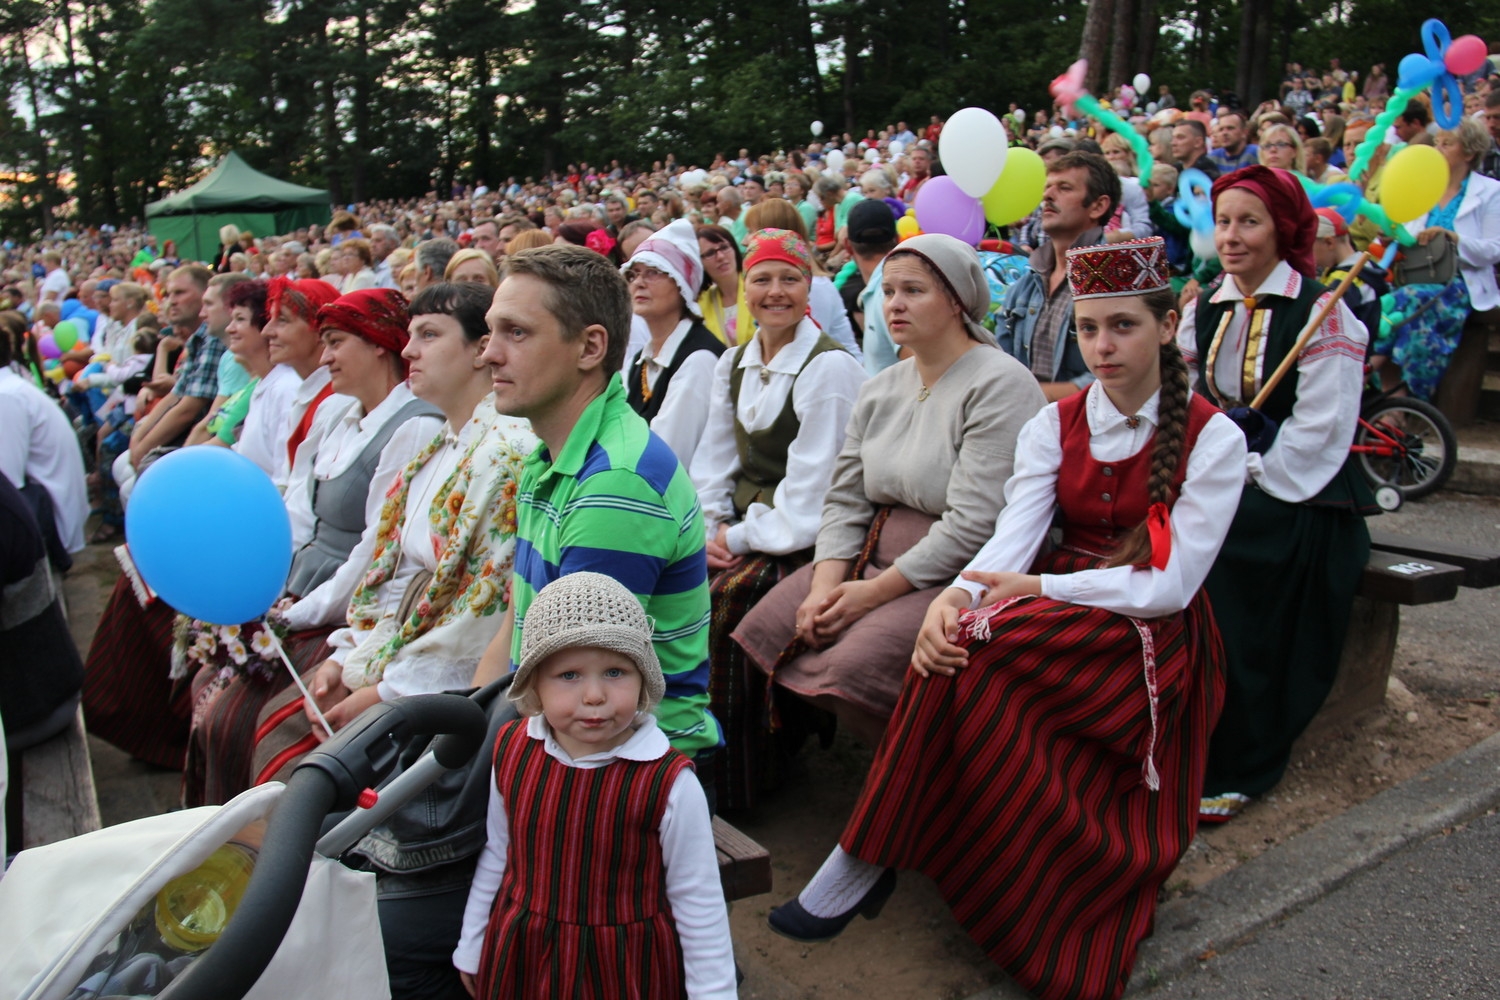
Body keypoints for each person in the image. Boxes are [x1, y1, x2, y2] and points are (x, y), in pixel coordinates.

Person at [769, 237, 1245, 1000]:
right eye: (1089, 329)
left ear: (1166, 325)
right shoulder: (1055, 426)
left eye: (1123, 325)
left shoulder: (1214, 436)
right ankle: (882, 855)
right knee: (959, 640)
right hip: (1044, 597)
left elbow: (1169, 587)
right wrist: (959, 597)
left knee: (979, 651)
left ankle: (868, 855)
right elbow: (1012, 536)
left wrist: (1024, 594)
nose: (1102, 346)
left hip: (1145, 634)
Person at [733, 235, 1044, 746]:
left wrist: (867, 596)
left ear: (958, 301)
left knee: (855, 664)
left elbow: (973, 523)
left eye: (914, 290)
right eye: (889, 291)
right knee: (768, 622)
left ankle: (918, 783)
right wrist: (824, 586)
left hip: (959, 571)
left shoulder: (1000, 384)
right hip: (873, 551)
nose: (894, 304)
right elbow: (846, 497)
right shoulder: (882, 386)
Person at [474, 244, 722, 778]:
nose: (489, 353)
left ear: (590, 347)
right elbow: (516, 627)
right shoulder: (553, 457)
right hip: (562, 731)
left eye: (516, 332)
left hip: (625, 770)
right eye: (492, 331)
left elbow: (588, 700)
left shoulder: (614, 485)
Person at [1179, 165, 1376, 821]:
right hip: (1228, 472)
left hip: (1299, 493)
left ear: (1284, 228)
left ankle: (1241, 753)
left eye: (1249, 221)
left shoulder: (1325, 315)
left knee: (1222, 552)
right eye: (1224, 221)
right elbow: (1185, 400)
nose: (1231, 237)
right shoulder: (1206, 305)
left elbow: (1317, 436)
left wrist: (1241, 462)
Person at [453, 572, 735, 999]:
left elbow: (699, 902)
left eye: (616, 671)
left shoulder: (667, 785)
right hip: (523, 951)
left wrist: (713, 993)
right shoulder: (513, 750)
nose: (594, 696)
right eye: (568, 675)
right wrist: (472, 944)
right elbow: (499, 851)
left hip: (624, 966)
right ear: (535, 684)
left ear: (643, 677)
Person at [688, 228, 866, 809]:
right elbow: (712, 459)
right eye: (762, 278)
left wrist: (734, 536)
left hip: (808, 537)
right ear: (744, 286)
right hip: (742, 529)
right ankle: (678, 754)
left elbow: (815, 496)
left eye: (790, 277)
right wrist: (708, 526)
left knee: (725, 606)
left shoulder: (829, 369)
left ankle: (740, 774)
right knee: (670, 585)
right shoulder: (734, 361)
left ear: (809, 283)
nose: (775, 291)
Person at [1383, 117, 1500, 403]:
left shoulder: (1491, 192)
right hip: (1417, 276)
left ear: (1469, 153)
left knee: (1410, 302)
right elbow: (1408, 234)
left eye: (1447, 144)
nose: (1437, 149)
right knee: (1389, 303)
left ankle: (1403, 395)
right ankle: (1390, 391)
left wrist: (1453, 238)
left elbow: (1495, 249)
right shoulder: (1424, 188)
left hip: (1461, 282)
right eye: (1436, 142)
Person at [996, 151, 1121, 400]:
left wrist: (1035, 396)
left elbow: (1122, 376)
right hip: (1027, 423)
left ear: (1097, 206)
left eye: (1064, 188)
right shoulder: (1028, 280)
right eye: (1047, 187)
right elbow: (999, 356)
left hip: (1088, 428)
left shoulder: (1118, 280)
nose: (1047, 196)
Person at [622, 219, 724, 471]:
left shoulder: (698, 359)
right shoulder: (641, 359)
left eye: (653, 272)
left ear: (681, 284)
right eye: (634, 274)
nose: (639, 282)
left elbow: (666, 457)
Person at [0, 318, 88, 559]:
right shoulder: (9, 388)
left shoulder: (6, 396)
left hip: (48, 522)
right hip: (42, 506)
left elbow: (8, 481)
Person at [695, 224, 747, 345]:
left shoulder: (758, 287)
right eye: (710, 253)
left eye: (724, 247)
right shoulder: (700, 304)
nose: (720, 256)